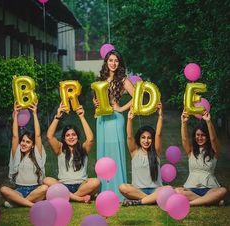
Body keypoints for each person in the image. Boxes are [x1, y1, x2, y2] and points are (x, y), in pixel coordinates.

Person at [93, 49, 134, 201]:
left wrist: (122, 108)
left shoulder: (122, 79)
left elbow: (137, 95)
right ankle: (104, 190)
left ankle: (118, 191)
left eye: (116, 61)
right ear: (106, 62)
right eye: (110, 60)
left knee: (115, 152)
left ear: (119, 63)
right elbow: (97, 99)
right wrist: (95, 102)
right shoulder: (100, 79)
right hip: (102, 119)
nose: (113, 63)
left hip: (115, 118)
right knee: (103, 153)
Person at [44, 103, 100, 203]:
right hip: (63, 185)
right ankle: (79, 198)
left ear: (77, 137)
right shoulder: (60, 148)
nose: (71, 137)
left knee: (96, 182)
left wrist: (82, 117)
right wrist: (57, 117)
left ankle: (69, 197)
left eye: (73, 135)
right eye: (68, 135)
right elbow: (49, 136)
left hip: (81, 186)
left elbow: (90, 139)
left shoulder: (83, 149)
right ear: (64, 139)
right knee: (46, 180)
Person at [0, 102, 47, 208]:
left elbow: (38, 135)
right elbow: (15, 136)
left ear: (33, 145)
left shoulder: (37, 154)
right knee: (3, 189)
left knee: (44, 188)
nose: (24, 144)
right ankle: (30, 204)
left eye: (28, 142)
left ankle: (18, 202)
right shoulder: (16, 154)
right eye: (23, 141)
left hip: (35, 190)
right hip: (19, 190)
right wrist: (16, 114)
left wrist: (34, 114)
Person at [176, 110, 227, 206]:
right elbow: (184, 139)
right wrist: (183, 123)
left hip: (210, 189)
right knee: (177, 191)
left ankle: (192, 203)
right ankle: (209, 201)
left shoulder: (214, 151)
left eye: (203, 135)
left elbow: (214, 139)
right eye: (197, 135)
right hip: (191, 189)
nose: (200, 138)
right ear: (194, 136)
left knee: (222, 191)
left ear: (207, 136)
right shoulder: (190, 151)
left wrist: (208, 121)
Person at [119, 103, 164, 206]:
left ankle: (139, 202)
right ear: (139, 139)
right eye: (143, 137)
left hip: (155, 190)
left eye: (149, 138)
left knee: (168, 189)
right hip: (137, 191)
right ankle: (152, 200)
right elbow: (129, 136)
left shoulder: (156, 152)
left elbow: (159, 134)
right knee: (123, 187)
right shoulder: (134, 152)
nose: (146, 140)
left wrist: (160, 116)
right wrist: (130, 119)